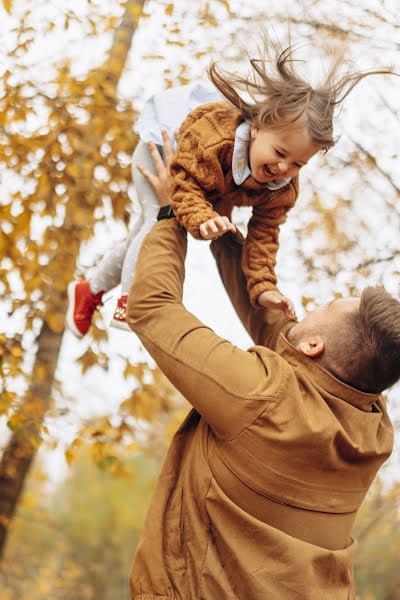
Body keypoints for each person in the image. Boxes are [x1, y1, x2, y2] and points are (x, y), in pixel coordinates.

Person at [126, 136, 399, 600]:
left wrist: (174, 212)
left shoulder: (261, 398)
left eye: (327, 305)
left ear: (315, 345)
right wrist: (218, 225)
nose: (304, 310)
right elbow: (285, 338)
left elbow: (151, 307)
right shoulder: (371, 427)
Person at [65, 38, 392, 337]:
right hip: (164, 157)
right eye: (279, 153)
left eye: (297, 164)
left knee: (140, 230)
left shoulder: (282, 186)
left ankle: (89, 290)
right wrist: (200, 215)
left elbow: (264, 237)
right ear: (258, 127)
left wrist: (264, 286)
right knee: (157, 222)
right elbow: (185, 183)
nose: (283, 169)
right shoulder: (214, 137)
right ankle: (131, 299)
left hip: (208, 185)